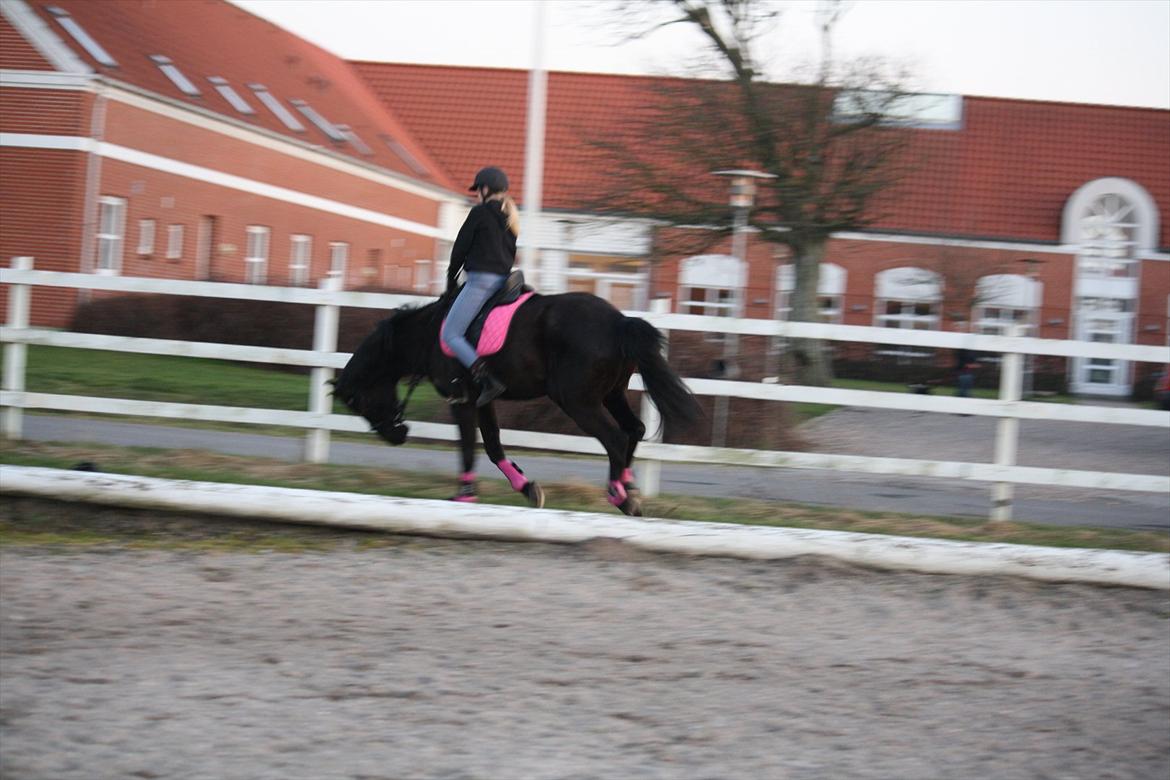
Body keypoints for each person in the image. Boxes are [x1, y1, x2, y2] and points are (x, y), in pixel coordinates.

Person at [440, 166, 520, 406]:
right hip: (502, 283)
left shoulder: (480, 213)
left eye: (478, 190)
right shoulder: (510, 217)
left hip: (480, 283)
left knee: (451, 334)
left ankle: (487, 380)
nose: (477, 195)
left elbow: (460, 249)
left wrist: (450, 278)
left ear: (486, 189)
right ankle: (462, 378)